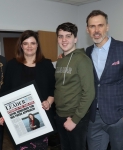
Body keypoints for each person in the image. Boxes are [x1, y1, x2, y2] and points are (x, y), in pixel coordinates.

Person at [0, 30, 55, 150]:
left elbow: (53, 89)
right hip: (18, 120)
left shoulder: (47, 64)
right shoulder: (12, 65)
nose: (29, 46)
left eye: (32, 43)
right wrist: (1, 112)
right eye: (26, 43)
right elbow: (5, 90)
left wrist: (49, 102)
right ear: (21, 46)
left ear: (37, 45)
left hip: (41, 118)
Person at [86, 10, 123, 150]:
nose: (96, 30)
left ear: (107, 26)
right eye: (92, 26)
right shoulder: (87, 52)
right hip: (94, 118)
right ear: (87, 29)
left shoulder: (122, 48)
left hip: (119, 117)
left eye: (100, 25)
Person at [54, 22, 95, 150]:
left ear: (75, 39)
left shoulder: (82, 60)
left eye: (68, 36)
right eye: (60, 36)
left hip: (75, 117)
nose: (64, 40)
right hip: (60, 115)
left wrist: (75, 119)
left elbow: (89, 93)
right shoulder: (60, 60)